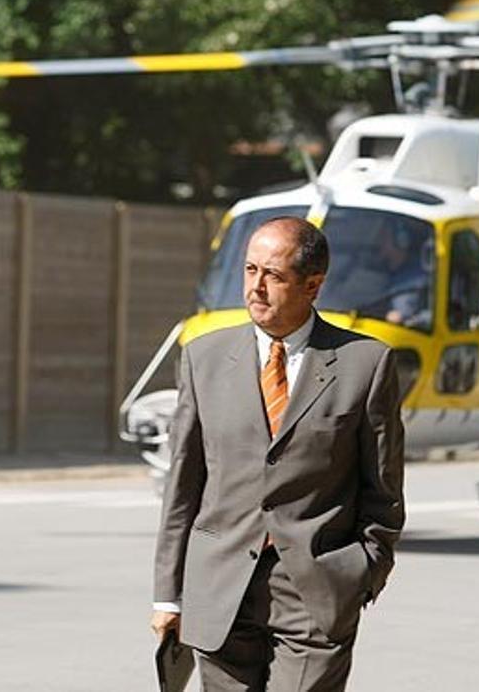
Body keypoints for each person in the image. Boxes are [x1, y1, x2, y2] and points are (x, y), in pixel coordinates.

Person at [151, 216, 406, 691]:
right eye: (250, 271)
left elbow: (383, 491)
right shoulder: (202, 358)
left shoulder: (365, 365)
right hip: (219, 587)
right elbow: (182, 488)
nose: (257, 288)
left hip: (317, 590)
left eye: (274, 275)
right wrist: (169, 595)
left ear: (313, 285)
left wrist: (363, 573)